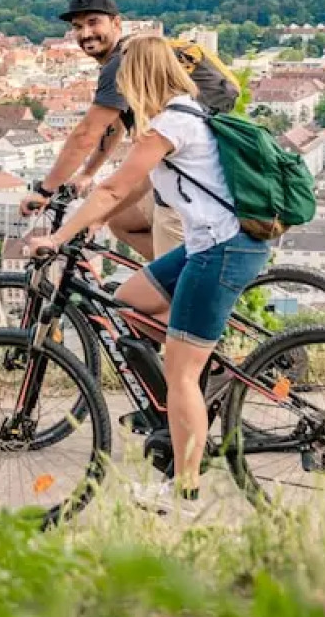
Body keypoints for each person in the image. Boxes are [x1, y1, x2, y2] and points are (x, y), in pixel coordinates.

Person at [26, 35, 271, 516]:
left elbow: (114, 185)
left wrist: (57, 240)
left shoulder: (171, 123)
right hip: (208, 244)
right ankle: (183, 406)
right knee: (130, 304)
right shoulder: (175, 116)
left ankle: (184, 491)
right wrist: (90, 221)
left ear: (139, 77)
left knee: (181, 373)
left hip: (222, 250)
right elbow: (126, 188)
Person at [20, 0, 234, 259]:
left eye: (93, 22)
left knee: (163, 294)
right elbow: (115, 126)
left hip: (185, 199)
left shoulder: (120, 64)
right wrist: (88, 173)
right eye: (77, 27)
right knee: (121, 222)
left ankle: (171, 290)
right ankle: (170, 279)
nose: (85, 33)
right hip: (184, 181)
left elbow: (86, 134)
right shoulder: (129, 57)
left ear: (116, 23)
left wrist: (44, 190)